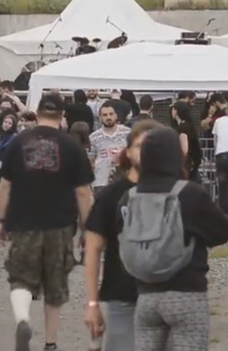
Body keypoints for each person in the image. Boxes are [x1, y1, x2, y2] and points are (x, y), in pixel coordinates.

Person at [0, 94, 95, 351]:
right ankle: (51, 344)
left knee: (20, 278)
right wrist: (87, 230)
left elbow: (5, 185)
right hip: (60, 225)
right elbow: (83, 193)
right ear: (62, 116)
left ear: (37, 113)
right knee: (55, 286)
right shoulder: (73, 146)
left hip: (23, 222)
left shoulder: (18, 143)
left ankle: (22, 319)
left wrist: (1, 220)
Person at [131, 127, 228, 350]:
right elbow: (224, 231)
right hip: (186, 292)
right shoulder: (189, 193)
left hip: (145, 293)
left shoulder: (130, 196)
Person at [84, 119, 163, 351]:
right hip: (123, 295)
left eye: (153, 146)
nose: (146, 153)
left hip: (168, 296)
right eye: (140, 146)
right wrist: (92, 303)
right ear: (128, 152)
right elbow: (93, 249)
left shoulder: (179, 192)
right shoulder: (111, 196)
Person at [89, 104, 130, 194]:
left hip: (123, 180)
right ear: (100, 118)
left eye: (111, 114)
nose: (108, 117)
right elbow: (91, 161)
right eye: (105, 115)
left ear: (116, 116)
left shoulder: (127, 133)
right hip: (101, 182)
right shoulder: (93, 137)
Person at [171, 101, 202, 181]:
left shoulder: (182, 127)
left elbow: (184, 147)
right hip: (191, 161)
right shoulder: (188, 125)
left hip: (185, 162)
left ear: (176, 111)